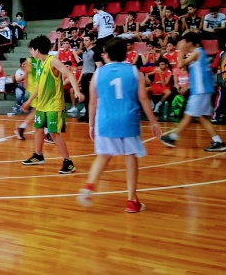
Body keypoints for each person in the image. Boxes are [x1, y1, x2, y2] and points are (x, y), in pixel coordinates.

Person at [76, 38, 163, 213]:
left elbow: (92, 102)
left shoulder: (98, 73)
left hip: (105, 121)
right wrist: (153, 121)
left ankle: (89, 186)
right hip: (128, 120)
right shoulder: (134, 71)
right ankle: (131, 200)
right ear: (125, 53)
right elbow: (143, 98)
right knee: (130, 156)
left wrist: (91, 125)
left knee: (103, 156)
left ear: (106, 54)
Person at [21, 35, 84, 174]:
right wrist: (29, 101)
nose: (31, 52)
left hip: (54, 105)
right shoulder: (39, 63)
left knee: (54, 133)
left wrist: (77, 91)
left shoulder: (53, 61)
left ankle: (68, 162)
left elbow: (69, 73)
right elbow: (39, 85)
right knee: (38, 129)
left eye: (31, 50)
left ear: (37, 50)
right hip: (42, 104)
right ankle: (38, 155)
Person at [160, 33, 226, 151]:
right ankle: (218, 141)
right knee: (201, 117)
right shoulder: (198, 53)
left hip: (200, 90)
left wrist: (180, 51)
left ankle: (172, 138)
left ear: (189, 42)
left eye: (184, 42)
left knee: (188, 115)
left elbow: (180, 64)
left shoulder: (197, 52)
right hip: (203, 89)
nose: (183, 44)